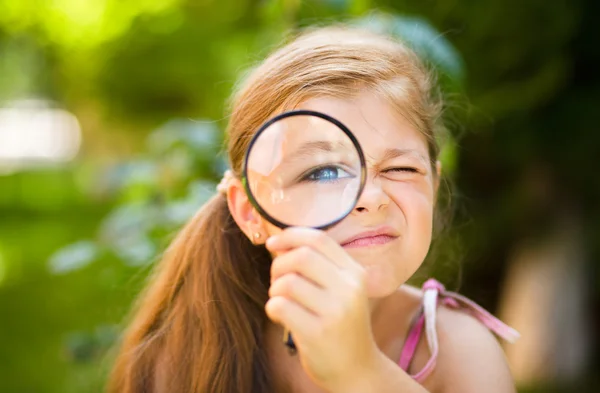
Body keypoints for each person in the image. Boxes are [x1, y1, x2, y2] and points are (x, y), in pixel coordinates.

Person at [107, 25, 520, 393]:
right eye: (324, 173)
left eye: (400, 167)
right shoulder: (188, 358)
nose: (371, 197)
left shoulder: (461, 350)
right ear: (250, 212)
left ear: (433, 182)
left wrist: (361, 373)